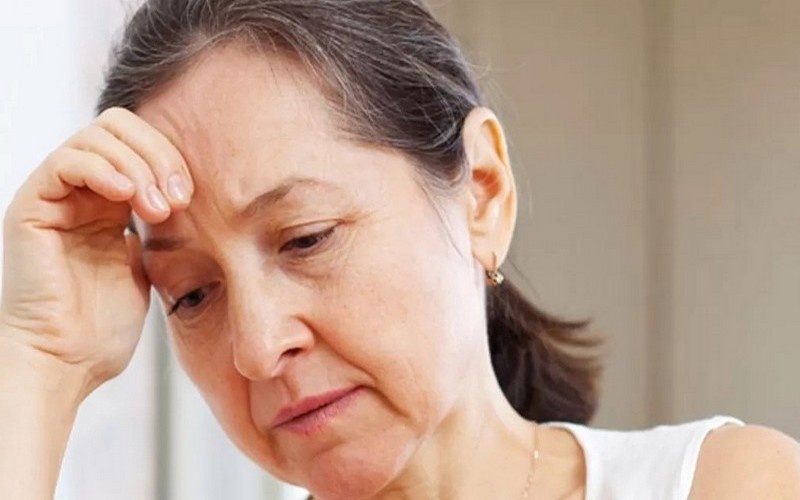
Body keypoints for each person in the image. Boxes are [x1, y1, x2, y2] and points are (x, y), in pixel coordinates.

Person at [1, 1, 798, 499]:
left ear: (481, 191)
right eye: (192, 294)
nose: (257, 348)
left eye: (306, 237)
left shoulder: (724, 485)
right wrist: (38, 357)